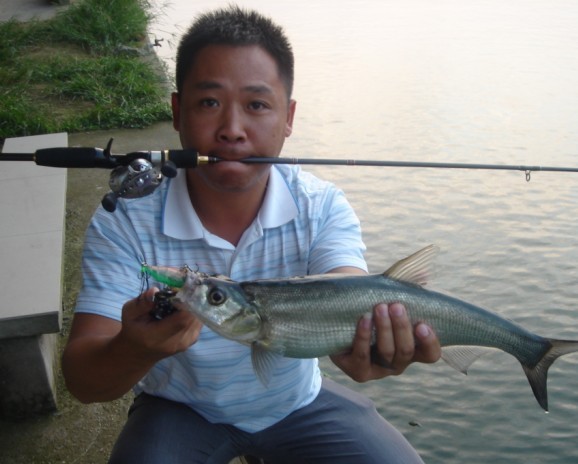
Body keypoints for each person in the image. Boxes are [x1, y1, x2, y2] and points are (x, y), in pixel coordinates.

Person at [62, 6, 441, 463]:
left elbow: (346, 285)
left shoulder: (320, 205)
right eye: (209, 103)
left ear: (289, 117)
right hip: (179, 406)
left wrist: (365, 343)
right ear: (177, 112)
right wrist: (134, 349)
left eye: (257, 105)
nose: (232, 130)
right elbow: (84, 382)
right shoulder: (124, 219)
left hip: (296, 403)